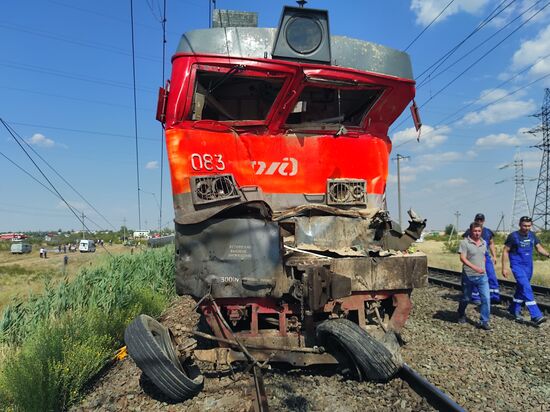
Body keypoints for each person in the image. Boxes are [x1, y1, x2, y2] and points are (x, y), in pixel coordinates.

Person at [502, 216, 548, 325]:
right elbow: (505, 251)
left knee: (521, 288)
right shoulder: (513, 236)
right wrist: (504, 267)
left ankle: (513, 309)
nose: (526, 228)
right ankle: (536, 315)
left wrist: (547, 254)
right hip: (517, 265)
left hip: (529, 266)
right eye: (524, 225)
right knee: (526, 287)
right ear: (519, 224)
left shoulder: (532, 235)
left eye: (528, 226)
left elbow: (538, 247)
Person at [457, 221, 491, 330]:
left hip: (482, 276)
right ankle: (461, 313)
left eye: (479, 231)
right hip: (469, 275)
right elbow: (462, 258)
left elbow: (484, 255)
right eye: (475, 231)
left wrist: (483, 267)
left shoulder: (484, 242)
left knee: (486, 298)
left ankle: (484, 321)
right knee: (466, 298)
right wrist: (475, 267)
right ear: (471, 231)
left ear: (482, 231)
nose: (477, 233)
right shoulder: (464, 242)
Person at [462, 213, 500, 303]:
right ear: (475, 220)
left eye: (481, 220)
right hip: (474, 256)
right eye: (477, 220)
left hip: (485, 256)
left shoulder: (487, 232)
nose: (479, 221)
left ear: (484, 221)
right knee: (476, 276)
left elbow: (491, 243)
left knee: (491, 275)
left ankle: (494, 296)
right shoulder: (469, 231)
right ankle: (476, 297)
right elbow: (464, 244)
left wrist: (494, 256)